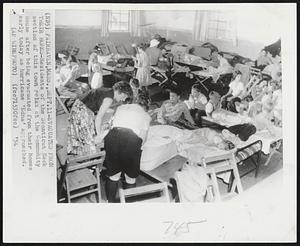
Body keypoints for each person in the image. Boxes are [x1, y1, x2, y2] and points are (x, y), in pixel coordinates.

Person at [103, 94, 152, 202]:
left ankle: (109, 203)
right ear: (146, 106)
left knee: (113, 176)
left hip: (112, 137)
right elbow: (143, 139)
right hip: (130, 140)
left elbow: (109, 125)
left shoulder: (120, 108)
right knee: (130, 178)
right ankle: (128, 206)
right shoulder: (145, 115)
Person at [67, 81, 133, 156]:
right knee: (90, 138)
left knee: (87, 134)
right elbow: (99, 117)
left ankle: (81, 154)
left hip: (79, 108)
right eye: (125, 97)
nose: (123, 100)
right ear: (122, 93)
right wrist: (99, 135)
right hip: (81, 111)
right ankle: (87, 157)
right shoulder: (109, 98)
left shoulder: (108, 91)